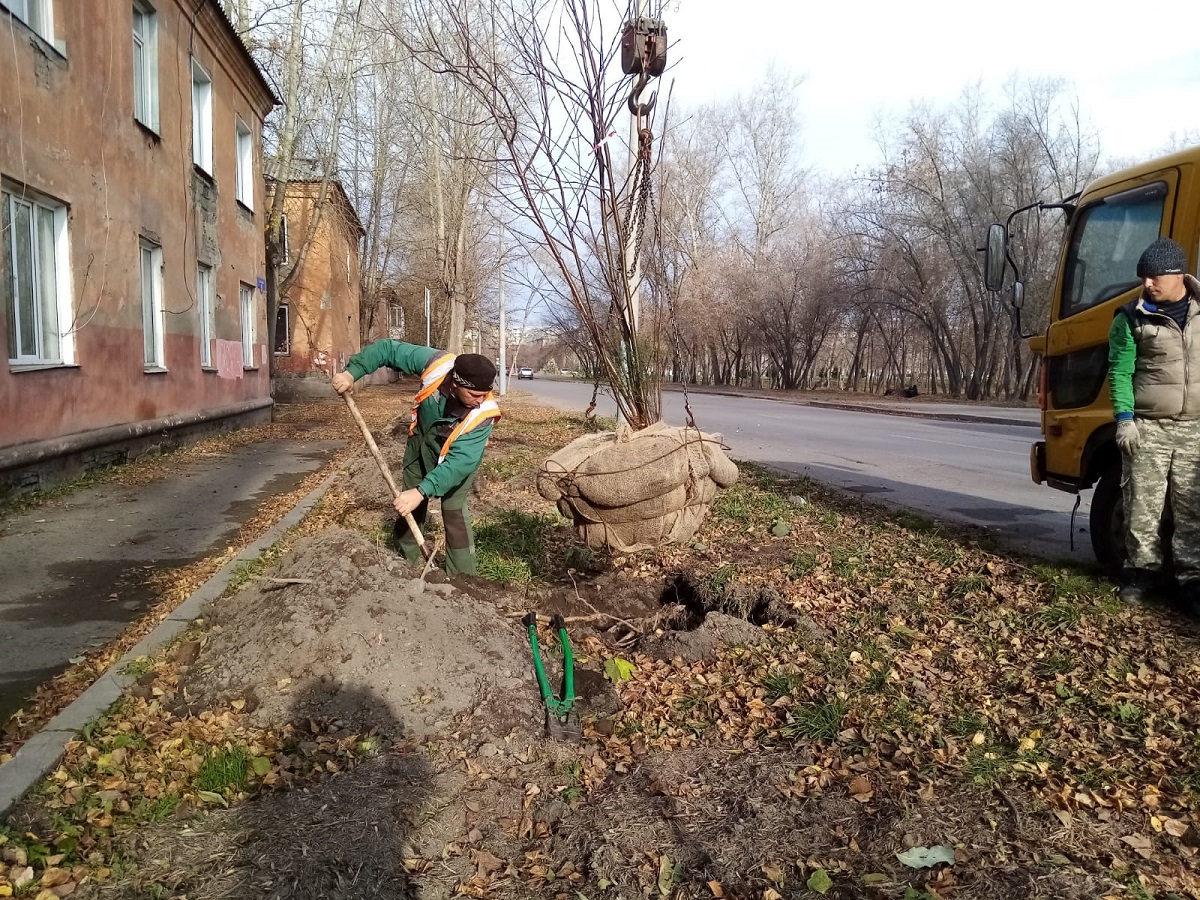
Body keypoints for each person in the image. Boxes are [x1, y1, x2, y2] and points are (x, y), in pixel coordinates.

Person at [333, 341, 501, 576]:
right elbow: (388, 350)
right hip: (420, 447)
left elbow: (458, 464)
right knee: (409, 505)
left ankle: (463, 577)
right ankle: (403, 561)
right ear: (455, 383)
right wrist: (352, 373)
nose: (481, 400)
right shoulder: (437, 365)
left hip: (456, 463)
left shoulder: (483, 415)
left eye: (485, 394)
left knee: (453, 510)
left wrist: (422, 491)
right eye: (475, 394)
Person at [1108, 237, 1200, 607]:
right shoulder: (1130, 318)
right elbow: (1120, 372)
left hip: (1195, 429)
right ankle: (1140, 574)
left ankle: (1191, 581)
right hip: (1149, 427)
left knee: (1192, 508)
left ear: (1179, 275)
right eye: (1143, 276)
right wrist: (1124, 419)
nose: (1147, 283)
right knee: (1142, 507)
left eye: (1154, 277)